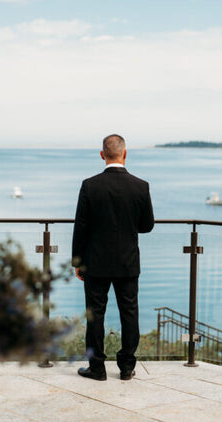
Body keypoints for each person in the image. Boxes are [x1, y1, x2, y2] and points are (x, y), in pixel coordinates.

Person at [71, 134, 154, 381]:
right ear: (125, 154)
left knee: (95, 315)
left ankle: (97, 367)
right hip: (128, 262)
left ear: (102, 155)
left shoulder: (89, 185)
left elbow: (81, 227)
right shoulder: (141, 186)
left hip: (95, 262)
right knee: (129, 314)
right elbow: (147, 225)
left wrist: (77, 262)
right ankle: (126, 367)